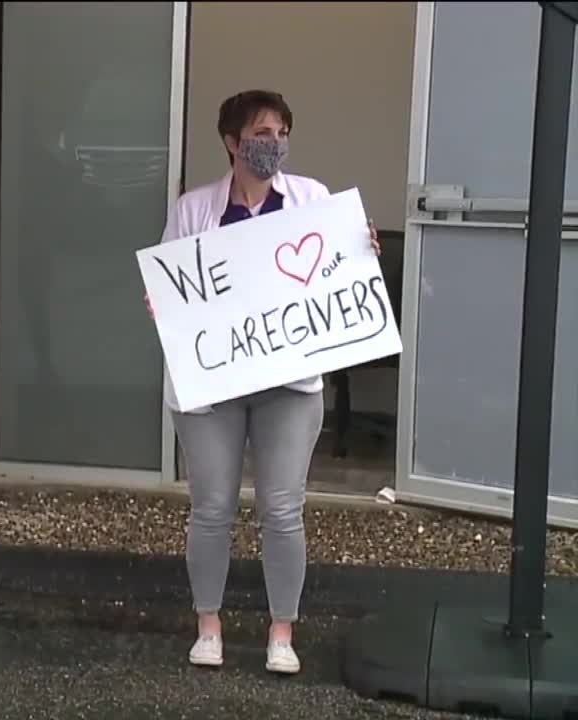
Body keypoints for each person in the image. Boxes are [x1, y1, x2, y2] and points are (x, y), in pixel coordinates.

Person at [146, 90, 380, 674]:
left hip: (289, 383)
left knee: (281, 509)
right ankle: (208, 625)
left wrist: (361, 251)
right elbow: (179, 285)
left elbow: (333, 268)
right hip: (213, 385)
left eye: (281, 133)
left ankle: (282, 631)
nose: (273, 143)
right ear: (231, 143)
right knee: (212, 507)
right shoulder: (195, 207)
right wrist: (165, 302)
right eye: (261, 133)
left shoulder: (312, 201)